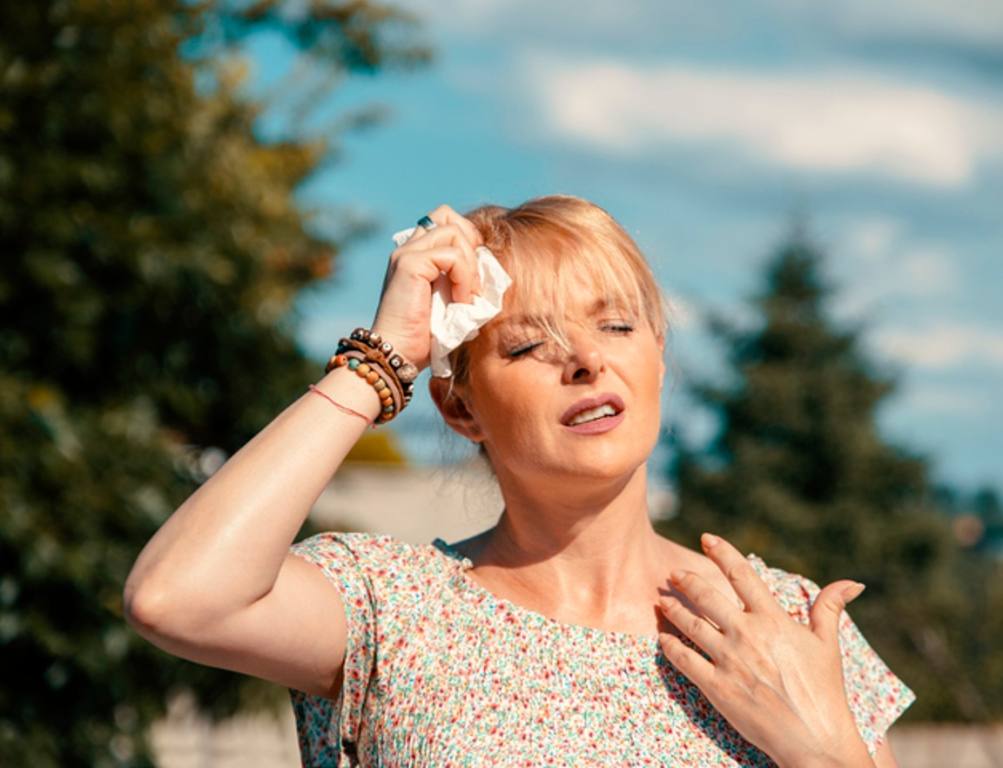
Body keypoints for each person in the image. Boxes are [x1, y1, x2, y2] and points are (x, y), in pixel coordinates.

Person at [124, 196, 915, 767]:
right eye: (530, 344)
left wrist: (826, 755)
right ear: (459, 407)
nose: (586, 360)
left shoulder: (780, 621)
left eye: (615, 325)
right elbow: (176, 597)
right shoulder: (392, 607)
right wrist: (381, 360)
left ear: (659, 356)